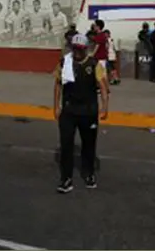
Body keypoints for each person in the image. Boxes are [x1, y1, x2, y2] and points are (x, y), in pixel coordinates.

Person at [53, 33, 109, 193]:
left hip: (88, 111)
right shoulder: (65, 63)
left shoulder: (94, 64)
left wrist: (105, 107)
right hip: (69, 111)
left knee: (89, 145)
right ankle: (66, 179)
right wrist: (56, 106)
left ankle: (89, 173)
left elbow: (103, 87)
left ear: (85, 49)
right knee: (66, 145)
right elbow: (57, 85)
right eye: (74, 48)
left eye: (80, 49)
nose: (77, 52)